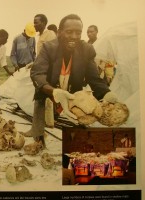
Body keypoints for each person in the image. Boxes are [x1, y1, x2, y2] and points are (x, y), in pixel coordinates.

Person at [28, 14, 117, 148]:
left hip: (72, 91)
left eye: (78, 33)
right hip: (50, 87)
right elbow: (37, 73)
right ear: (59, 32)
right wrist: (54, 92)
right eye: (69, 32)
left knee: (79, 115)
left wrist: (106, 93)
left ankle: (77, 144)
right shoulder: (49, 48)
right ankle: (38, 138)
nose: (74, 36)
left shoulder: (86, 50)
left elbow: (94, 78)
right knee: (40, 105)